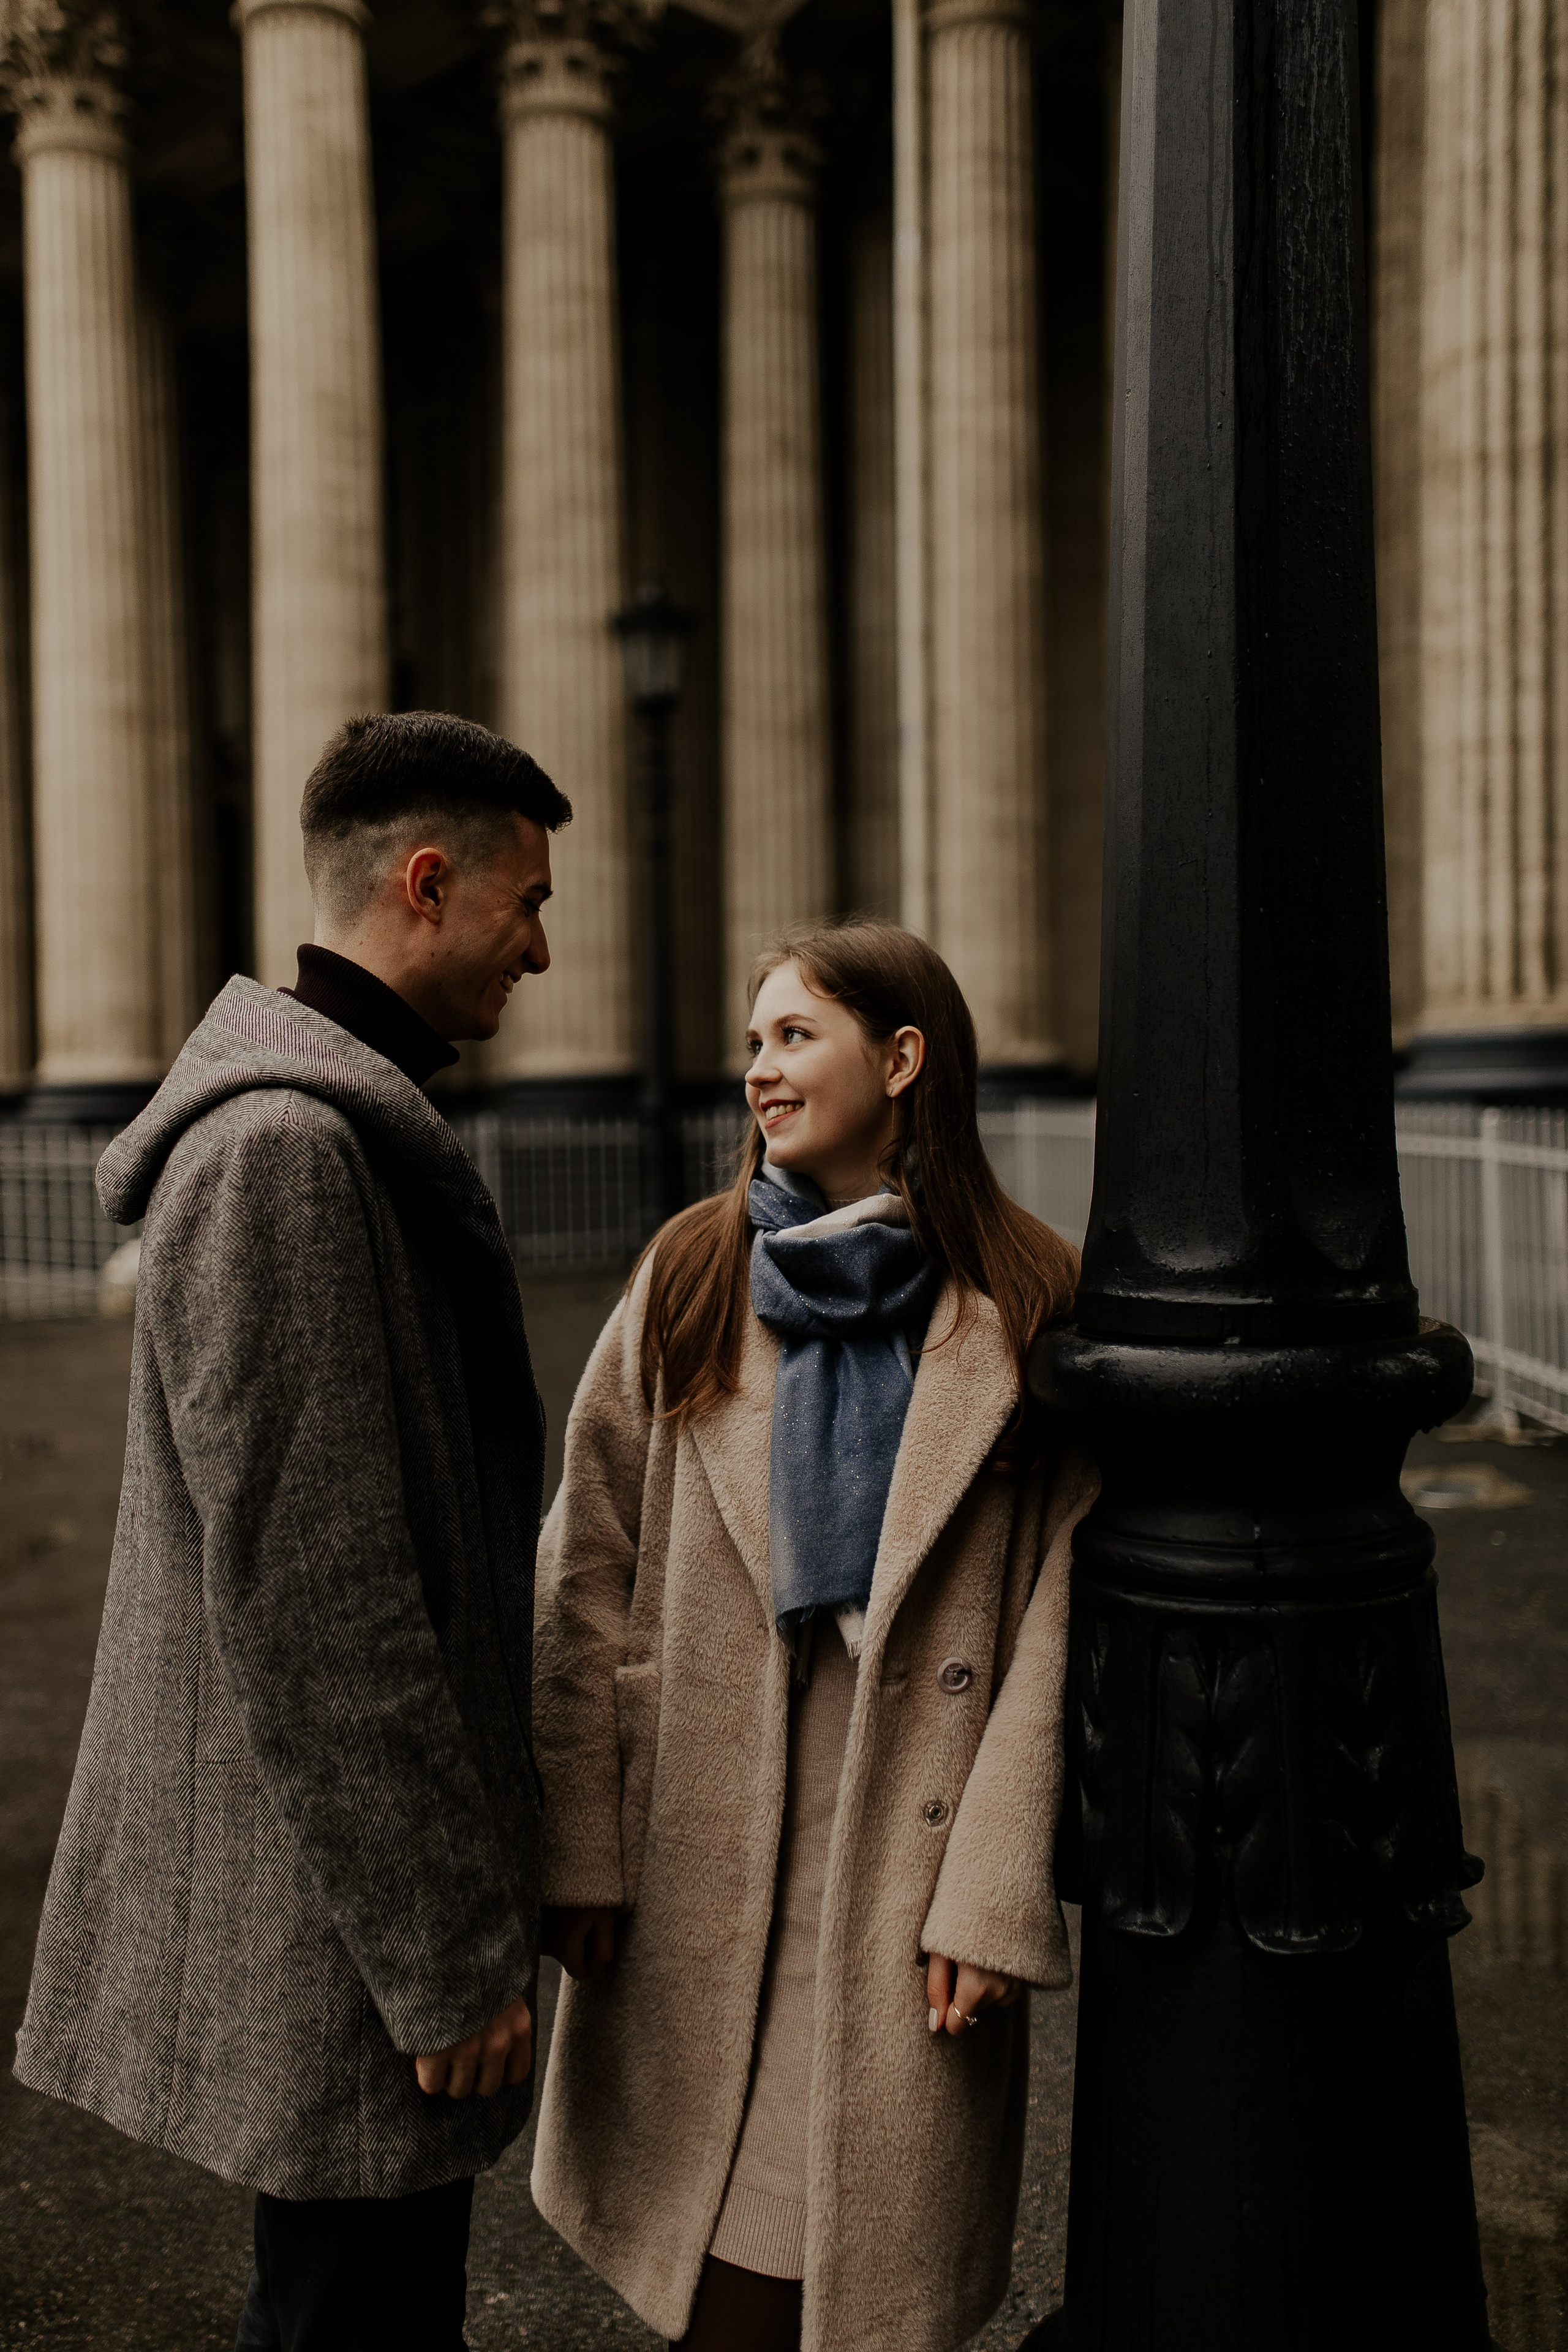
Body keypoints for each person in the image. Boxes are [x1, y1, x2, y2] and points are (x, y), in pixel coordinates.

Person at [12, 710, 570, 2352]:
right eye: (523, 904)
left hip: (343, 1912)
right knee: (347, 2324)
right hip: (345, 1926)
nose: (540, 950)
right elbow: (321, 1604)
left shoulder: (330, 1132)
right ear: (423, 883)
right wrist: (447, 1955)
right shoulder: (283, 1152)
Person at [529, 918, 1098, 2352]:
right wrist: (579, 1846)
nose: (758, 1075)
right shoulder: (693, 1272)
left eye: (793, 1037)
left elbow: (1059, 1613)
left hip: (906, 1835)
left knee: (849, 2253)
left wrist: (990, 1893)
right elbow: (584, 1565)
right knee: (712, 2241)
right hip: (706, 1832)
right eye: (751, 1043)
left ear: (901, 1059)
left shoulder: (1026, 1299)